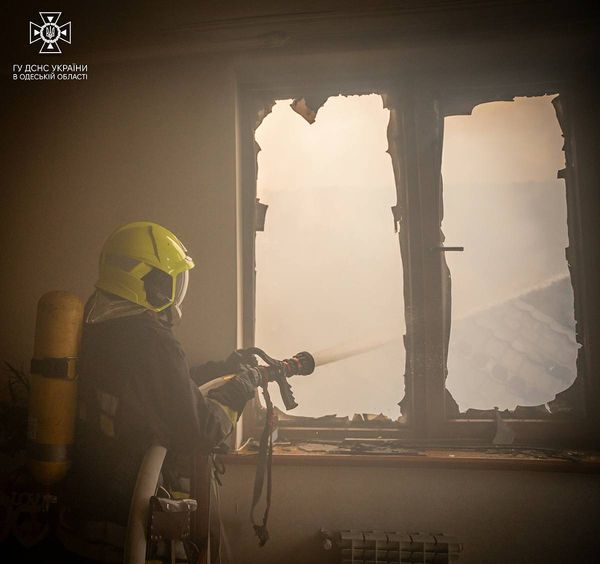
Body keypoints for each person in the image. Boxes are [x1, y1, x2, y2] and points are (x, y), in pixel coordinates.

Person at [60, 221, 261, 562]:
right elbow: (201, 430)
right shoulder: (152, 340)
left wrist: (220, 369)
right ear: (150, 282)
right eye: (171, 279)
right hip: (129, 519)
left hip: (83, 513)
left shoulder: (95, 324)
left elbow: (156, 387)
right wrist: (239, 390)